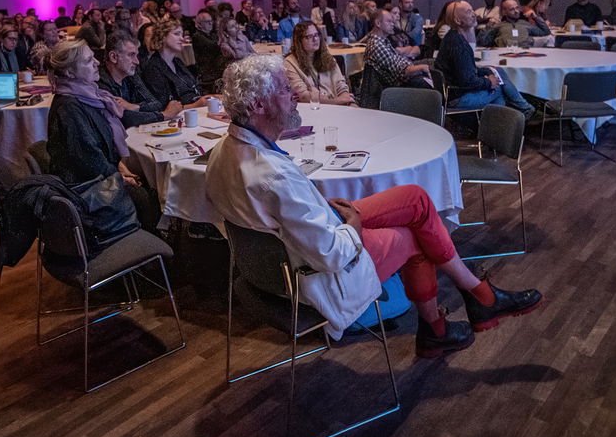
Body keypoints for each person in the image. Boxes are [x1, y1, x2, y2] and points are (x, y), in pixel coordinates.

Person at [204, 55, 543, 354]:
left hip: (292, 249)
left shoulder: (224, 151)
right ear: (258, 107)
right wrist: (352, 226)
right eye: (282, 90)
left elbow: (275, 214)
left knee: (415, 198)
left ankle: (476, 298)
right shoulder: (272, 176)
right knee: (417, 238)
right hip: (313, 272)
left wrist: (326, 210)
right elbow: (331, 254)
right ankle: (450, 321)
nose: (294, 95)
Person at [46, 39, 158, 231]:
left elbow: (96, 148)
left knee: (148, 183)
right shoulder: (69, 107)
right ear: (70, 72)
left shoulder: (88, 96)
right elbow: (88, 160)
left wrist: (119, 167)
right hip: (86, 192)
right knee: (148, 195)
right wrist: (119, 176)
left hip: (97, 175)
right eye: (89, 61)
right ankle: (149, 248)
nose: (98, 62)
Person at [436, 1, 536, 118]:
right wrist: (489, 82)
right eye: (469, 12)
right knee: (499, 90)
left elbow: (465, 71)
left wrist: (489, 72)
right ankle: (518, 114)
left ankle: (499, 124)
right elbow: (467, 81)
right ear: (458, 21)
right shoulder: (459, 45)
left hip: (450, 93)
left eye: (473, 10)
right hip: (457, 98)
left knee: (496, 71)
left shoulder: (453, 37)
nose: (474, 14)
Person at [98, 32, 181, 128]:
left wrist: (133, 107)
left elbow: (156, 103)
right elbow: (125, 119)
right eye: (131, 55)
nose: (137, 62)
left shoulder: (131, 75)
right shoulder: (100, 83)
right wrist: (164, 115)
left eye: (136, 55)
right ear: (113, 57)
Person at [360, 7, 433, 107]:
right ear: (378, 23)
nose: (393, 23)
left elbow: (399, 62)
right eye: (389, 21)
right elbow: (402, 71)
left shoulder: (382, 41)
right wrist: (420, 67)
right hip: (395, 89)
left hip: (401, 77)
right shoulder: (376, 45)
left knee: (433, 63)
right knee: (431, 84)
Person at [284, 21, 356, 106]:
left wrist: (347, 100)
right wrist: (337, 101)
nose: (315, 39)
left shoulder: (328, 58)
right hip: (310, 109)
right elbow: (303, 96)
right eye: (309, 36)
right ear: (299, 41)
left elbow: (341, 85)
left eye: (316, 35)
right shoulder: (290, 63)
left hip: (337, 107)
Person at [141, 19, 205, 109]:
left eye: (181, 34)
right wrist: (194, 105)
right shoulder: (153, 68)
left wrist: (209, 97)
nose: (182, 38)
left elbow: (194, 87)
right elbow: (163, 107)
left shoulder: (177, 62)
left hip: (196, 108)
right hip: (178, 117)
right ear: (163, 36)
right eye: (176, 34)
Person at [483, 0, 550, 48]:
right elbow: (482, 42)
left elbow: (545, 32)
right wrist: (489, 26)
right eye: (512, 9)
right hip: (504, 56)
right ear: (504, 12)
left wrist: (535, 17)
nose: (516, 11)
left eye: (517, 8)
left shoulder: (525, 24)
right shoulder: (498, 25)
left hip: (525, 56)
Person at [191, 8, 225, 93]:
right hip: (208, 71)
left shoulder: (211, 35)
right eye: (207, 21)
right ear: (199, 24)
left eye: (211, 21)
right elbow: (215, 46)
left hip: (215, 67)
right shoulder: (197, 36)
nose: (211, 23)